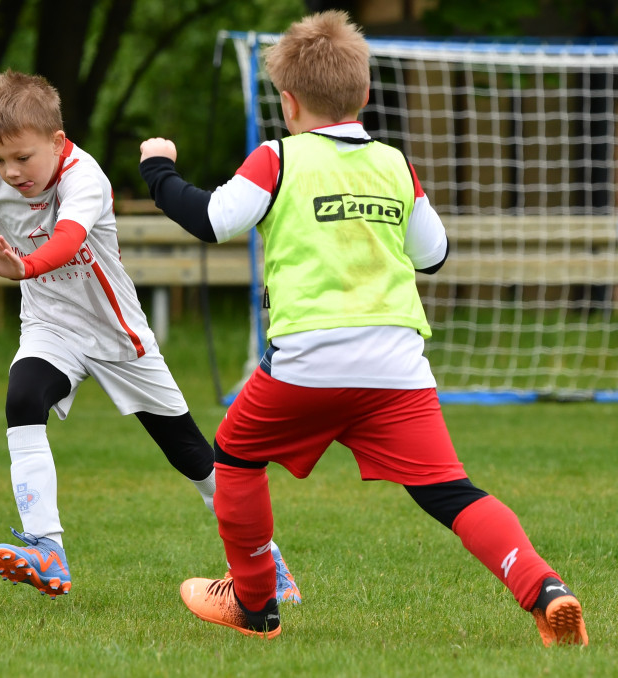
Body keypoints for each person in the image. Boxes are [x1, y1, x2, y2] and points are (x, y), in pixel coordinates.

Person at [137, 10, 588, 645]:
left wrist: (158, 170)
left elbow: (212, 219)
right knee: (451, 492)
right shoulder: (394, 164)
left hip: (309, 362)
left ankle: (255, 603)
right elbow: (434, 254)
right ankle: (544, 588)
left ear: (287, 102)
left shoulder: (277, 157)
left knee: (234, 457)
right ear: (366, 94)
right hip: (396, 367)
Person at [0, 70, 299, 602]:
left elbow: (67, 240)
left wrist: (24, 267)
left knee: (192, 456)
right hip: (50, 327)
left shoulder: (84, 178)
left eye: (23, 158)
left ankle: (268, 563)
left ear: (58, 142)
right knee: (23, 399)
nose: (10, 172)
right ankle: (46, 547)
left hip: (118, 337)